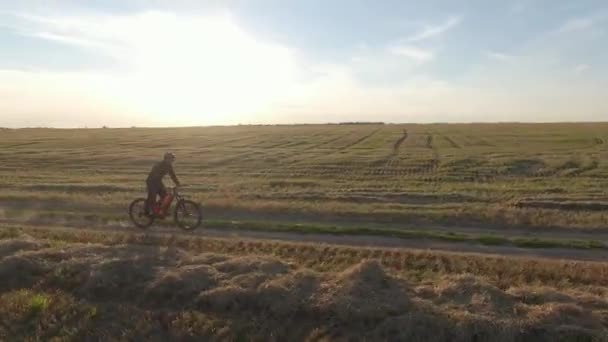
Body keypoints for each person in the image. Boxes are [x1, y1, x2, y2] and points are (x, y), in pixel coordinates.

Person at [145, 152, 180, 216]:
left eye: (173, 159)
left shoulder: (169, 166)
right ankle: (148, 212)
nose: (172, 160)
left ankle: (160, 211)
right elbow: (154, 174)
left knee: (165, 196)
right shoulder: (159, 165)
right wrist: (159, 187)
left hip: (158, 181)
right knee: (153, 197)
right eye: (171, 159)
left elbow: (172, 175)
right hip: (151, 181)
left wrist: (177, 183)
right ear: (166, 159)